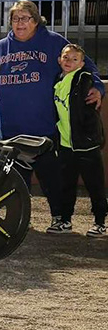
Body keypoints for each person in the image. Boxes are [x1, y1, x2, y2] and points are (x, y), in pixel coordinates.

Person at [0, 0, 104, 234]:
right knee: (16, 179)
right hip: (11, 128)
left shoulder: (53, 42)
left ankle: (59, 218)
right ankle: (21, 218)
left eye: (25, 18)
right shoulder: (0, 48)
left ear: (36, 20)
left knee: (52, 177)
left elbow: (86, 64)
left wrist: (98, 88)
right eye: (15, 19)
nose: (20, 23)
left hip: (45, 127)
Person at [53, 44, 107, 239]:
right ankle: (65, 220)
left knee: (95, 185)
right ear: (59, 60)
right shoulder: (58, 80)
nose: (69, 61)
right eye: (66, 58)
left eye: (75, 59)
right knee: (66, 185)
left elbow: (91, 83)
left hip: (86, 143)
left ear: (82, 64)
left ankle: (100, 222)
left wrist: (98, 88)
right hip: (66, 144)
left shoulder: (83, 78)